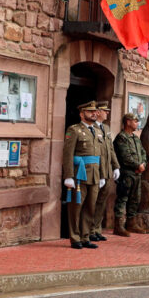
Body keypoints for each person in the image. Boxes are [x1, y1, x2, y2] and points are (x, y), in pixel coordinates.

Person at [62, 101, 104, 249]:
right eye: (90, 111)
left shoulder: (98, 131)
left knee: (90, 207)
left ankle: (85, 237)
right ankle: (75, 238)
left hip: (95, 174)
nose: (94, 113)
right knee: (76, 207)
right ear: (82, 114)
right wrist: (68, 175)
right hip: (80, 174)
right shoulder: (74, 130)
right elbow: (68, 154)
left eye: (95, 111)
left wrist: (103, 175)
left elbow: (101, 155)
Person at [90, 101, 120, 242]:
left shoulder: (106, 128)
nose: (107, 113)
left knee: (102, 202)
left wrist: (116, 166)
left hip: (107, 170)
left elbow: (111, 149)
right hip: (97, 170)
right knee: (93, 201)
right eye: (104, 110)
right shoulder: (92, 127)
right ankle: (89, 230)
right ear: (98, 112)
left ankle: (96, 228)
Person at [113, 113, 147, 236]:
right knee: (123, 199)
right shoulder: (121, 138)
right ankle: (118, 226)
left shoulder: (136, 138)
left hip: (137, 174)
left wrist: (143, 164)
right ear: (128, 122)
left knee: (135, 199)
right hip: (127, 174)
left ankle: (131, 223)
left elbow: (143, 153)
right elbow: (125, 156)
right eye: (135, 121)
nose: (137, 123)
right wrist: (137, 165)